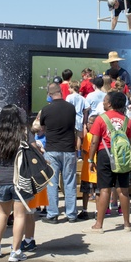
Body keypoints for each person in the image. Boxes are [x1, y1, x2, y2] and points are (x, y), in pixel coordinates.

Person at [0, 105, 35, 262]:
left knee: (2, 213)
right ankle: (15, 251)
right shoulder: (24, 135)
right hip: (21, 179)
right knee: (20, 215)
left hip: (1, 178)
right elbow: (34, 154)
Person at [87, 90, 131, 232]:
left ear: (110, 103)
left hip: (105, 154)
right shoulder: (127, 120)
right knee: (123, 191)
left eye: (105, 100)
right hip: (123, 156)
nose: (103, 102)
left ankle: (99, 225)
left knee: (104, 190)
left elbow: (95, 141)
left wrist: (91, 159)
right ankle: (127, 224)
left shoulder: (101, 119)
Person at [39, 82, 79, 223]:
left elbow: (42, 128)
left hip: (51, 150)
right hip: (68, 149)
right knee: (69, 182)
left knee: (52, 183)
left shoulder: (46, 110)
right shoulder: (71, 108)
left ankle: (53, 214)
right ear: (60, 92)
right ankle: (72, 214)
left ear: (49, 94)